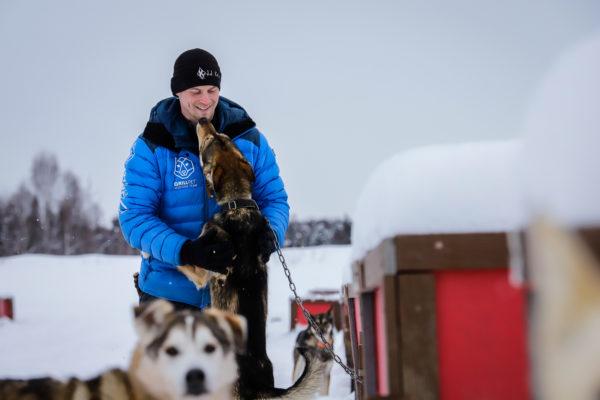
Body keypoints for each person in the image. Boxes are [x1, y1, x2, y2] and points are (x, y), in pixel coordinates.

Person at [119, 48, 289, 310]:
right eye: (195, 91)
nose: (205, 99)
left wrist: (270, 232)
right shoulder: (151, 146)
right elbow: (135, 218)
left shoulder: (249, 139)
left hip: (233, 293)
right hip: (168, 295)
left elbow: (274, 199)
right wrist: (186, 251)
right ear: (178, 92)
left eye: (211, 89)